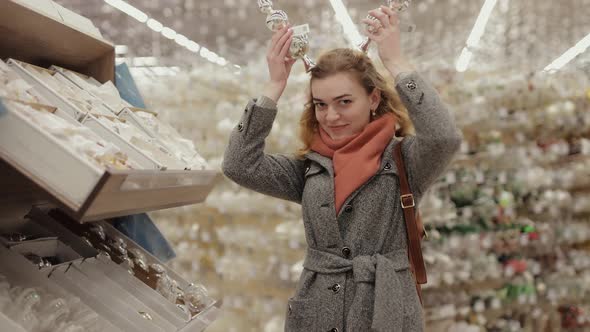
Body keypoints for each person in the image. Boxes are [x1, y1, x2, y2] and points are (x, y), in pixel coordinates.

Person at [222, 5, 462, 332]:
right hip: (318, 311)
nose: (331, 116)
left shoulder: (405, 159)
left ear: (373, 99)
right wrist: (274, 85)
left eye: (344, 101)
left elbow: (444, 137)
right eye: (321, 104)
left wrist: (395, 62)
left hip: (385, 309)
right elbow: (239, 164)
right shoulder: (311, 168)